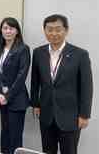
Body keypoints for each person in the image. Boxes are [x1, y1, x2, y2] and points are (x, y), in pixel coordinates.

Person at [31, 14, 93, 154]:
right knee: (47, 151)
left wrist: (84, 114)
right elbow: (35, 81)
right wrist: (35, 104)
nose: (54, 33)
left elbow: (86, 87)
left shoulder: (80, 54)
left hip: (70, 116)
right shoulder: (38, 53)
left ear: (66, 30)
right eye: (50, 29)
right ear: (44, 31)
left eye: (58, 29)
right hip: (46, 114)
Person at [0, 17, 31, 154]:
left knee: (15, 138)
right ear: (1, 31)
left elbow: (21, 76)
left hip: (16, 100)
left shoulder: (23, 49)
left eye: (11, 28)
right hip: (2, 99)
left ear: (17, 31)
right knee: (5, 133)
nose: (8, 31)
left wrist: (7, 96)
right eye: (5, 28)